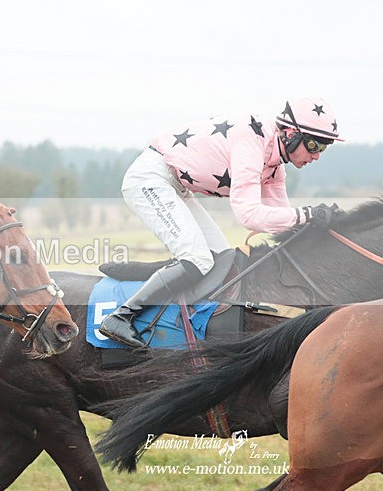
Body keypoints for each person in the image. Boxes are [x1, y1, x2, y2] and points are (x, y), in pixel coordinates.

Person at [99, 96, 343, 348]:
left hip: (176, 187)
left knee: (221, 256)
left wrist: (318, 223)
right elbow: (248, 215)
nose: (316, 156)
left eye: (323, 149)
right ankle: (121, 317)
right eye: (314, 145)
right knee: (197, 258)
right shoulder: (253, 142)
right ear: (291, 134)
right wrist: (306, 215)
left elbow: (281, 219)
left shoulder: (274, 167)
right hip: (151, 179)